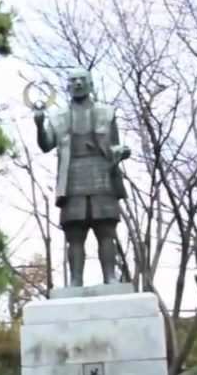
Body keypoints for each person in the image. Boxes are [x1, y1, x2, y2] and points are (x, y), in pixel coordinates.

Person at [33, 67, 131, 287]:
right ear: (67, 86)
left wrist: (121, 151)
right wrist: (39, 124)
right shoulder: (57, 116)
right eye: (73, 80)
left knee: (106, 229)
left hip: (101, 171)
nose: (77, 84)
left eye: (81, 80)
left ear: (90, 84)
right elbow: (46, 145)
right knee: (75, 232)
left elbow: (114, 145)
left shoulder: (107, 112)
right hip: (72, 175)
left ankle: (110, 277)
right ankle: (76, 280)